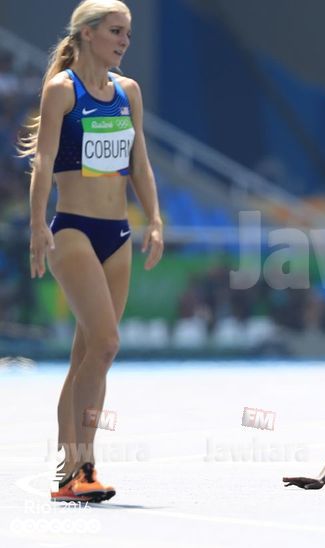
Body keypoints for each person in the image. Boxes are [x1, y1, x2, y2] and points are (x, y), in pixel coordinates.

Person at [19, 0, 164, 502]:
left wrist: (155, 219)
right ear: (87, 33)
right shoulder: (62, 91)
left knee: (88, 357)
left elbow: (140, 163)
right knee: (105, 345)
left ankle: (72, 472)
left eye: (128, 33)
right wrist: (36, 225)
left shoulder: (128, 92)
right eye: (115, 31)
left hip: (117, 235)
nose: (124, 41)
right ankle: (80, 468)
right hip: (73, 232)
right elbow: (42, 160)